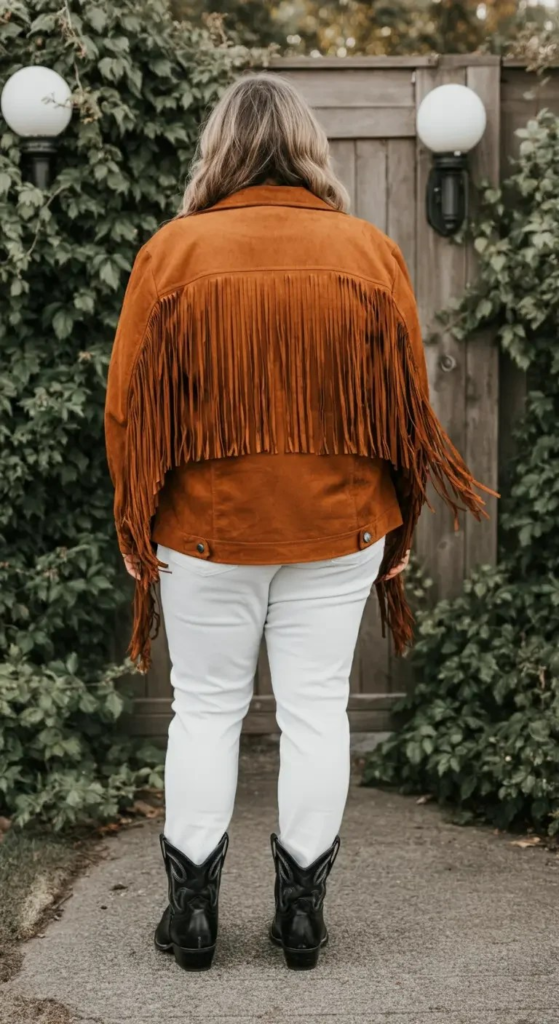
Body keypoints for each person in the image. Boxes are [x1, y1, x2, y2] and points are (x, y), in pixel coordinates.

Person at [104, 72, 496, 973]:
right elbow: (405, 408)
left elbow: (128, 407)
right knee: (317, 711)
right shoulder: (368, 253)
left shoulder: (170, 253)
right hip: (339, 526)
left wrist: (136, 525)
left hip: (201, 528)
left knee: (203, 710)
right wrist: (395, 534)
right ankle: (302, 919)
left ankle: (193, 919)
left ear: (217, 151)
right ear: (310, 149)